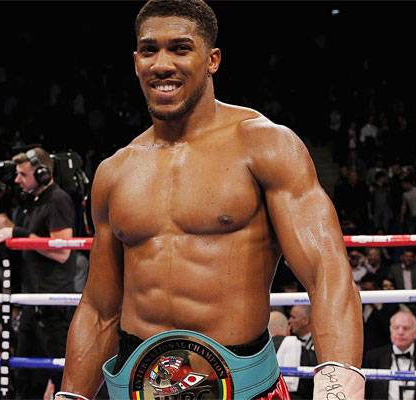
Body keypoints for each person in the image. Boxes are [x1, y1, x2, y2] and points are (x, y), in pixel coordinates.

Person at [60, 1, 364, 399]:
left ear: (212, 59)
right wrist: (71, 395)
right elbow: (100, 309)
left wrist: (338, 385)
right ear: (136, 62)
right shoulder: (114, 171)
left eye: (180, 48)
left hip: (244, 387)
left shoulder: (264, 145)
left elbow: (327, 272)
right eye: (149, 50)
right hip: (141, 387)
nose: (162, 64)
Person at [0, 147, 79, 397]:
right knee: (23, 373)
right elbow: (10, 234)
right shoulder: (30, 201)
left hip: (53, 302)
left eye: (23, 174)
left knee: (62, 373)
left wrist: (20, 233)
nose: (17, 180)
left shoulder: (58, 199)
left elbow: (62, 251)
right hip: (30, 300)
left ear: (42, 173)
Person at [363, 311, 416, 400]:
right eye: (396, 328)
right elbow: (366, 393)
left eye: (406, 328)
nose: (400, 332)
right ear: (390, 330)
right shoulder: (374, 357)